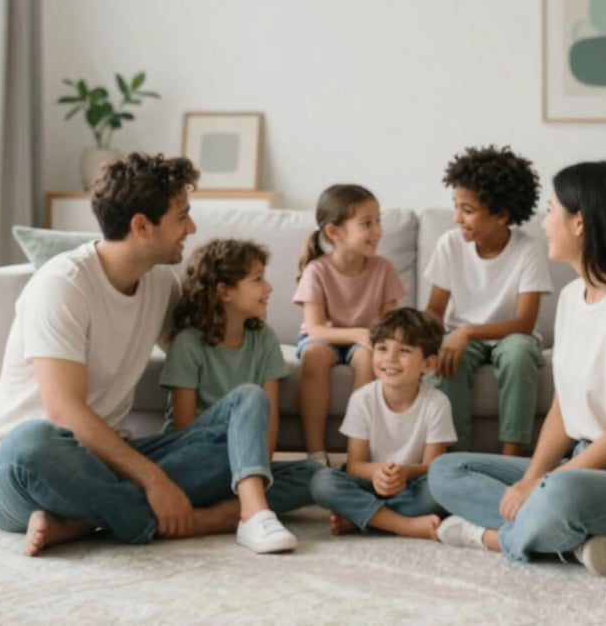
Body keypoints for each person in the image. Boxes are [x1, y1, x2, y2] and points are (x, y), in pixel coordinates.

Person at [0, 153, 296, 556]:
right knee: (31, 443)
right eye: (182, 216)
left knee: (243, 416)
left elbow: (202, 345)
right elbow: (64, 412)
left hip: (111, 461)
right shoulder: (62, 285)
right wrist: (155, 482)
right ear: (142, 226)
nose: (191, 228)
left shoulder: (159, 281)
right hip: (27, 470)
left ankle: (81, 521)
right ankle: (198, 519)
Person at [429, 160, 606, 577]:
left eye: (552, 210)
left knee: (562, 490)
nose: (543, 223)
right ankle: (576, 543)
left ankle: (493, 538)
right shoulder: (574, 297)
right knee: (447, 470)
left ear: (580, 223)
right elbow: (564, 405)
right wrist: (533, 477)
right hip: (585, 465)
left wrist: (540, 485)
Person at [159, 238, 322, 522]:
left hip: (248, 464)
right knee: (248, 396)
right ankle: (242, 505)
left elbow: (268, 426)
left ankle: (214, 514)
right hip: (199, 458)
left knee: (318, 476)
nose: (268, 287)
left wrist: (256, 470)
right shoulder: (188, 343)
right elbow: (184, 431)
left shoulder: (264, 340)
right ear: (224, 291)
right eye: (258, 279)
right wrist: (238, 461)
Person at [425, 145, 552, 454]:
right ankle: (456, 458)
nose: (457, 218)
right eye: (455, 206)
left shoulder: (527, 249)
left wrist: (466, 331)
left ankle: (511, 457)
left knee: (519, 354)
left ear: (501, 214)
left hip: (512, 335)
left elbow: (524, 323)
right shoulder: (450, 244)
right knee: (447, 361)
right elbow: (434, 310)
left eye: (467, 210)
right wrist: (425, 340)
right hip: (460, 335)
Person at [310, 307, 456, 539]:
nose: (390, 358)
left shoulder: (437, 403)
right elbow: (355, 464)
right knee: (322, 481)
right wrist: (378, 474)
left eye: (404, 350)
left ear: (428, 364)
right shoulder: (362, 398)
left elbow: (432, 467)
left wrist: (402, 473)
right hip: (368, 484)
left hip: (412, 486)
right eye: (382, 348)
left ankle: (364, 519)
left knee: (439, 488)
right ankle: (404, 525)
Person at [293, 184, 405, 465]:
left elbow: (389, 324)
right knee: (313, 355)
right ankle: (316, 454)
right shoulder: (316, 270)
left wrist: (368, 339)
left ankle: (357, 452)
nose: (377, 230)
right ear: (334, 232)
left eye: (378, 221)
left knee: (368, 358)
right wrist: (357, 333)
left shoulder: (384, 269)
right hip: (326, 338)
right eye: (367, 224)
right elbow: (316, 329)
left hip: (367, 341)